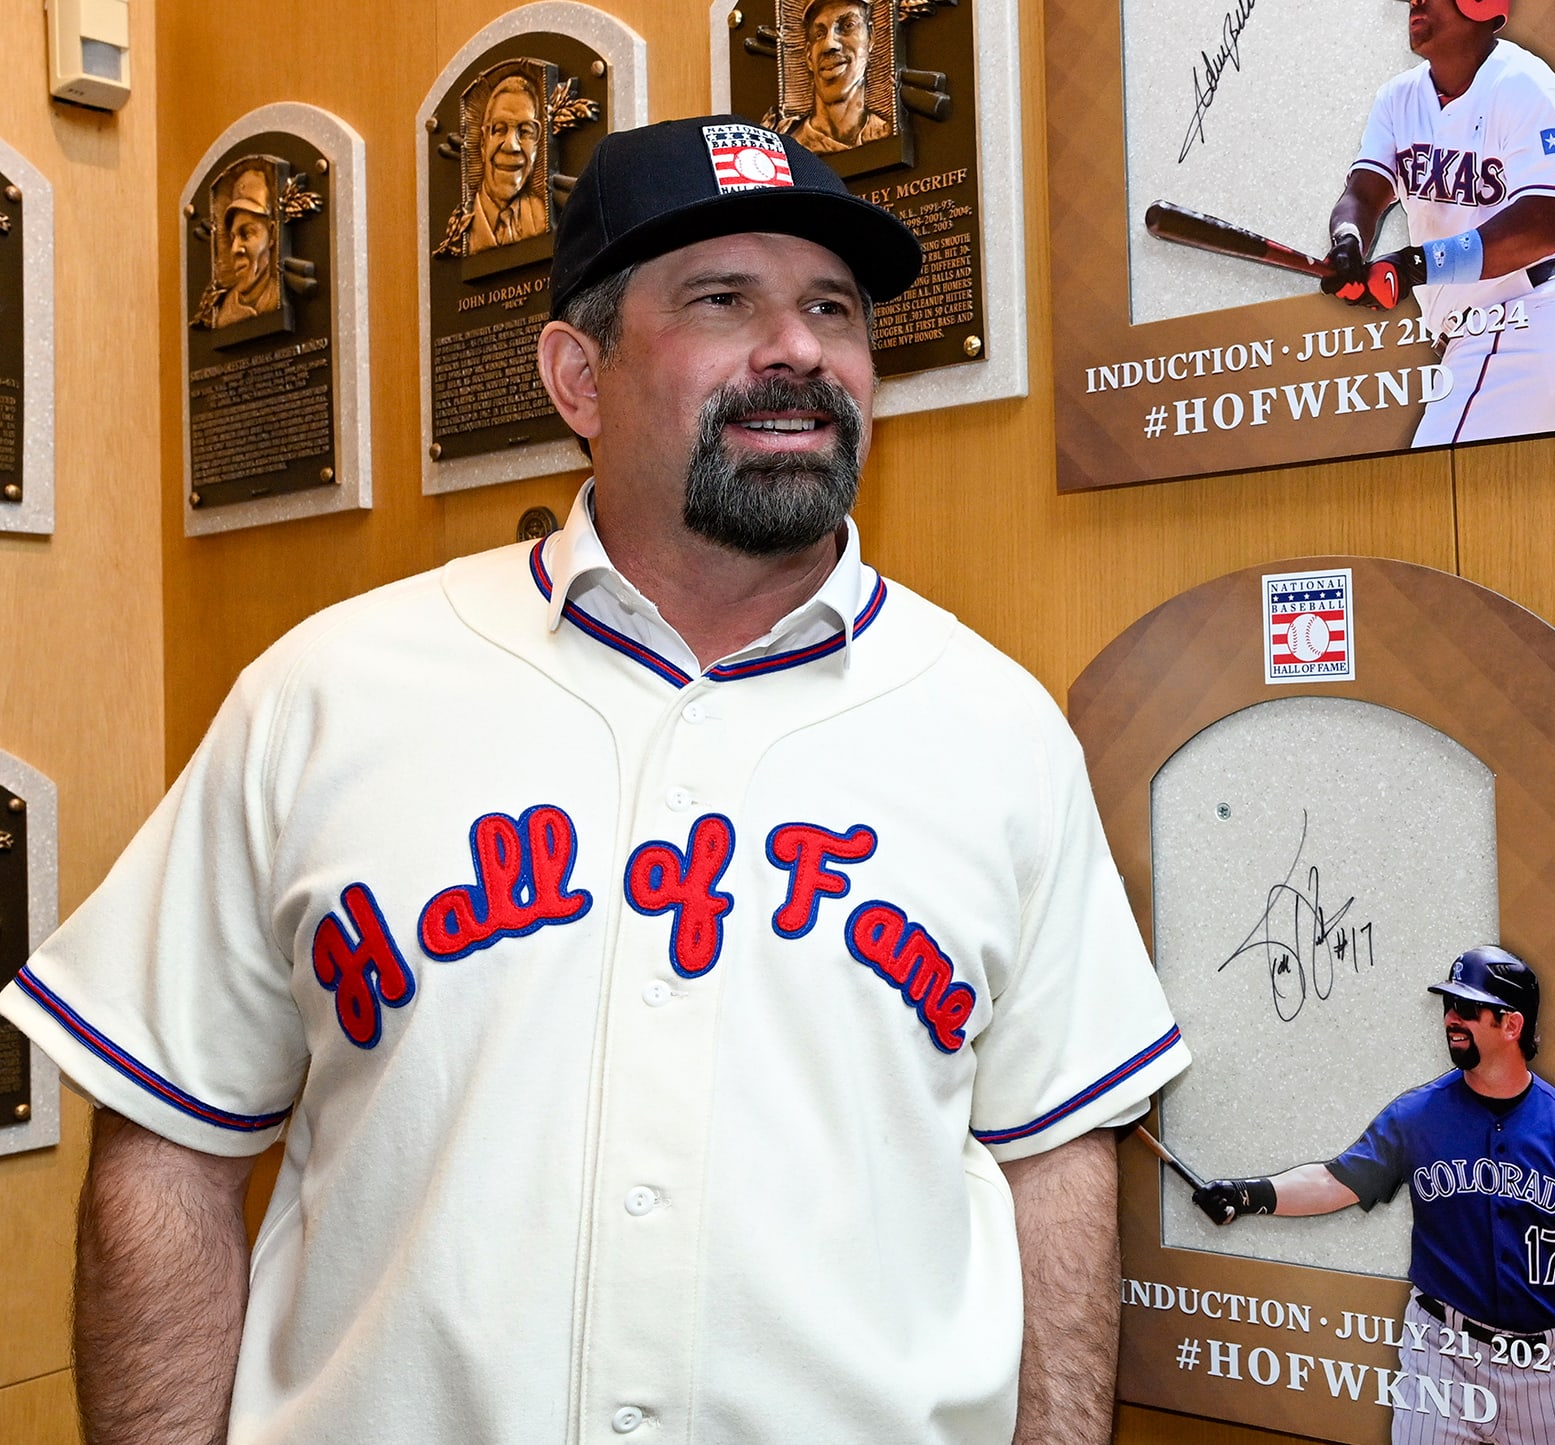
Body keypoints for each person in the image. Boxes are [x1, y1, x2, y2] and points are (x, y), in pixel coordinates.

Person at [0, 115, 1188, 1445]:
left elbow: (1056, 1174)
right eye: (723, 300)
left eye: (834, 309)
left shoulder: (994, 726)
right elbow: (169, 1147)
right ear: (578, 374)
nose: (796, 348)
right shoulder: (329, 694)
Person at [1192, 946, 1555, 1443]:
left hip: (1541, 1371)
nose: (1451, 1018)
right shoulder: (1418, 1117)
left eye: (1467, 1007)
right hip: (1441, 1357)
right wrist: (1248, 1195)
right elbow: (1336, 1182)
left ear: (1512, 1024)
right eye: (1448, 1004)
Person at [1319, 0, 1555, 448]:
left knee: (1427, 500)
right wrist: (1349, 241)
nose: (1414, 1)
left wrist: (1413, 266)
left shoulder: (1528, 87)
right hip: (1486, 344)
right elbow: (1362, 193)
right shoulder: (1398, 99)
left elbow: (1538, 229)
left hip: (1520, 326)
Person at [780, 0, 895, 154]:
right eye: (819, 34)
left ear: (871, 37)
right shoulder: (790, 146)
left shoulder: (885, 132)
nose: (829, 44)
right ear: (808, 56)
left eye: (848, 26)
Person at [469, 71, 548, 252]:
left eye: (525, 131)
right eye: (499, 129)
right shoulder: (461, 228)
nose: (511, 146)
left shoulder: (542, 217)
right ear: (483, 142)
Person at [209, 165, 281, 327]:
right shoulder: (223, 315)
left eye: (246, 234)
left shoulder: (281, 297)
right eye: (233, 237)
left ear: (272, 233)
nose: (235, 249)